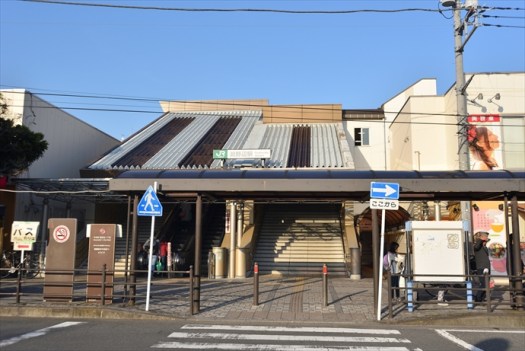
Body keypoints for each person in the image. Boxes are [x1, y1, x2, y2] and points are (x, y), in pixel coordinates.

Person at [473, 231, 491, 302]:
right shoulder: (477, 246)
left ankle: (481, 298)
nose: (487, 238)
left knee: (486, 284)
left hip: (487, 267)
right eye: (485, 236)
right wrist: (480, 239)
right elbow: (477, 246)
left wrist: (485, 240)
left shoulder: (484, 246)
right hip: (481, 267)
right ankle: (478, 298)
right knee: (483, 284)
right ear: (481, 237)